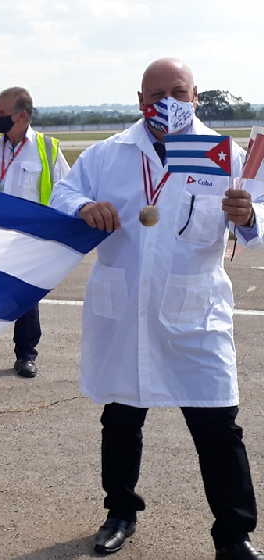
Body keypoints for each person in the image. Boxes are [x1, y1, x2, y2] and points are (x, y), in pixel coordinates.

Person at [50, 58, 264, 559]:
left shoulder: (222, 154)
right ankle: (120, 510)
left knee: (217, 425)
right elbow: (64, 191)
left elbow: (258, 223)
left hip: (195, 311)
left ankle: (234, 535)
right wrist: (83, 207)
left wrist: (249, 215)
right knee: (121, 418)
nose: (165, 102)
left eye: (177, 91)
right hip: (125, 311)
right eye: (154, 94)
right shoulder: (110, 154)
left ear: (196, 96)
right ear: (139, 100)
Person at [0, 87, 69, 379]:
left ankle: (26, 355)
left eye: (2, 113)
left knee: (25, 299)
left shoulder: (48, 149)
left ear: (22, 116)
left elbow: (65, 191)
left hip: (29, 240)